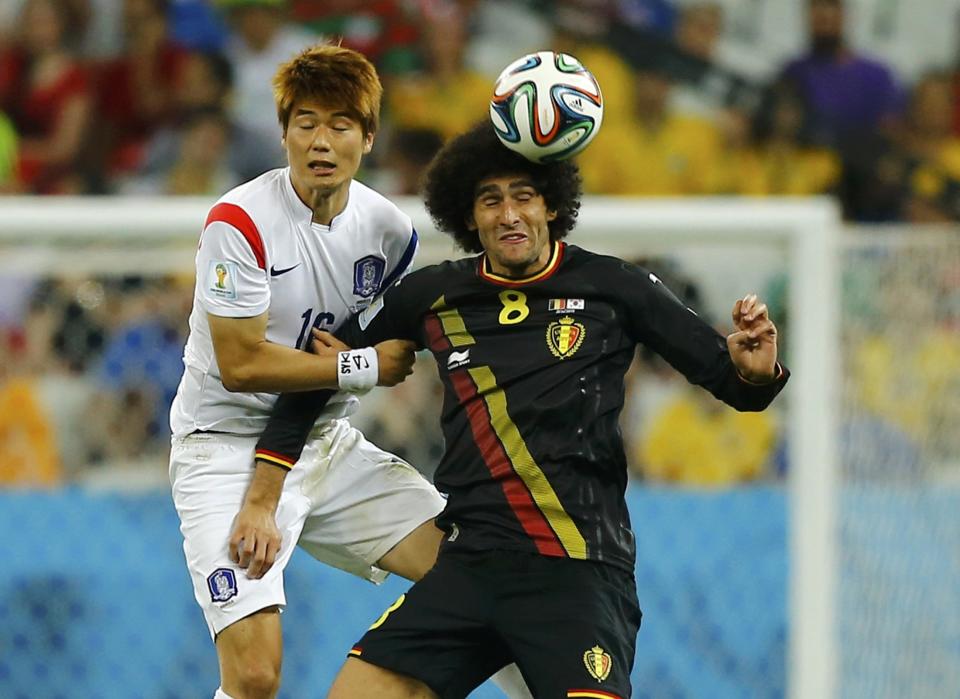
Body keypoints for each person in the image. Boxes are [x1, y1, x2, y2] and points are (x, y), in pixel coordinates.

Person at [254, 122, 791, 698]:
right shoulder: (432, 296)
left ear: (552, 205)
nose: (509, 214)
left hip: (577, 570)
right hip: (470, 567)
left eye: (524, 197)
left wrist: (754, 372)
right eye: (491, 200)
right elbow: (312, 381)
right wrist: (264, 495)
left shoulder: (616, 287)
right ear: (468, 216)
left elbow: (731, 381)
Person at [168, 46, 532, 699]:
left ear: (368, 137)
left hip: (327, 448)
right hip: (224, 453)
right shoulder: (240, 223)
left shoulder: (388, 231)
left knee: (486, 580)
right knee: (254, 675)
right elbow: (242, 362)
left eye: (340, 125)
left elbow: (387, 341)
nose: (321, 141)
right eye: (306, 122)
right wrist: (358, 364)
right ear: (283, 131)